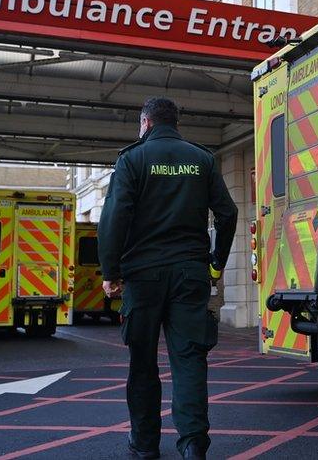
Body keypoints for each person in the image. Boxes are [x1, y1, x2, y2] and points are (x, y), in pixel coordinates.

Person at [98, 97, 238, 459]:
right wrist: (216, 263)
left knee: (142, 361)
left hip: (142, 277)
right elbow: (227, 213)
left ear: (145, 123)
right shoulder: (202, 159)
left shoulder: (132, 159)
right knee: (190, 359)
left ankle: (144, 445)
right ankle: (193, 445)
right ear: (176, 123)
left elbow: (114, 217)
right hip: (190, 275)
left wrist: (110, 272)